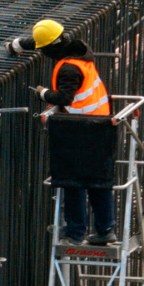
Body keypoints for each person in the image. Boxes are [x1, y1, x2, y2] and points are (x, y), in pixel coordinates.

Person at [15, 18, 118, 245]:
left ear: (53, 47)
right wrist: (18, 45)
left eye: (44, 50)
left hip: (81, 128)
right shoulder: (80, 52)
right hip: (101, 124)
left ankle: (75, 232)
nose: (43, 54)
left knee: (73, 181)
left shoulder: (68, 69)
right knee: (97, 181)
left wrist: (43, 93)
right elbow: (45, 39)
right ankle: (105, 229)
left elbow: (64, 97)